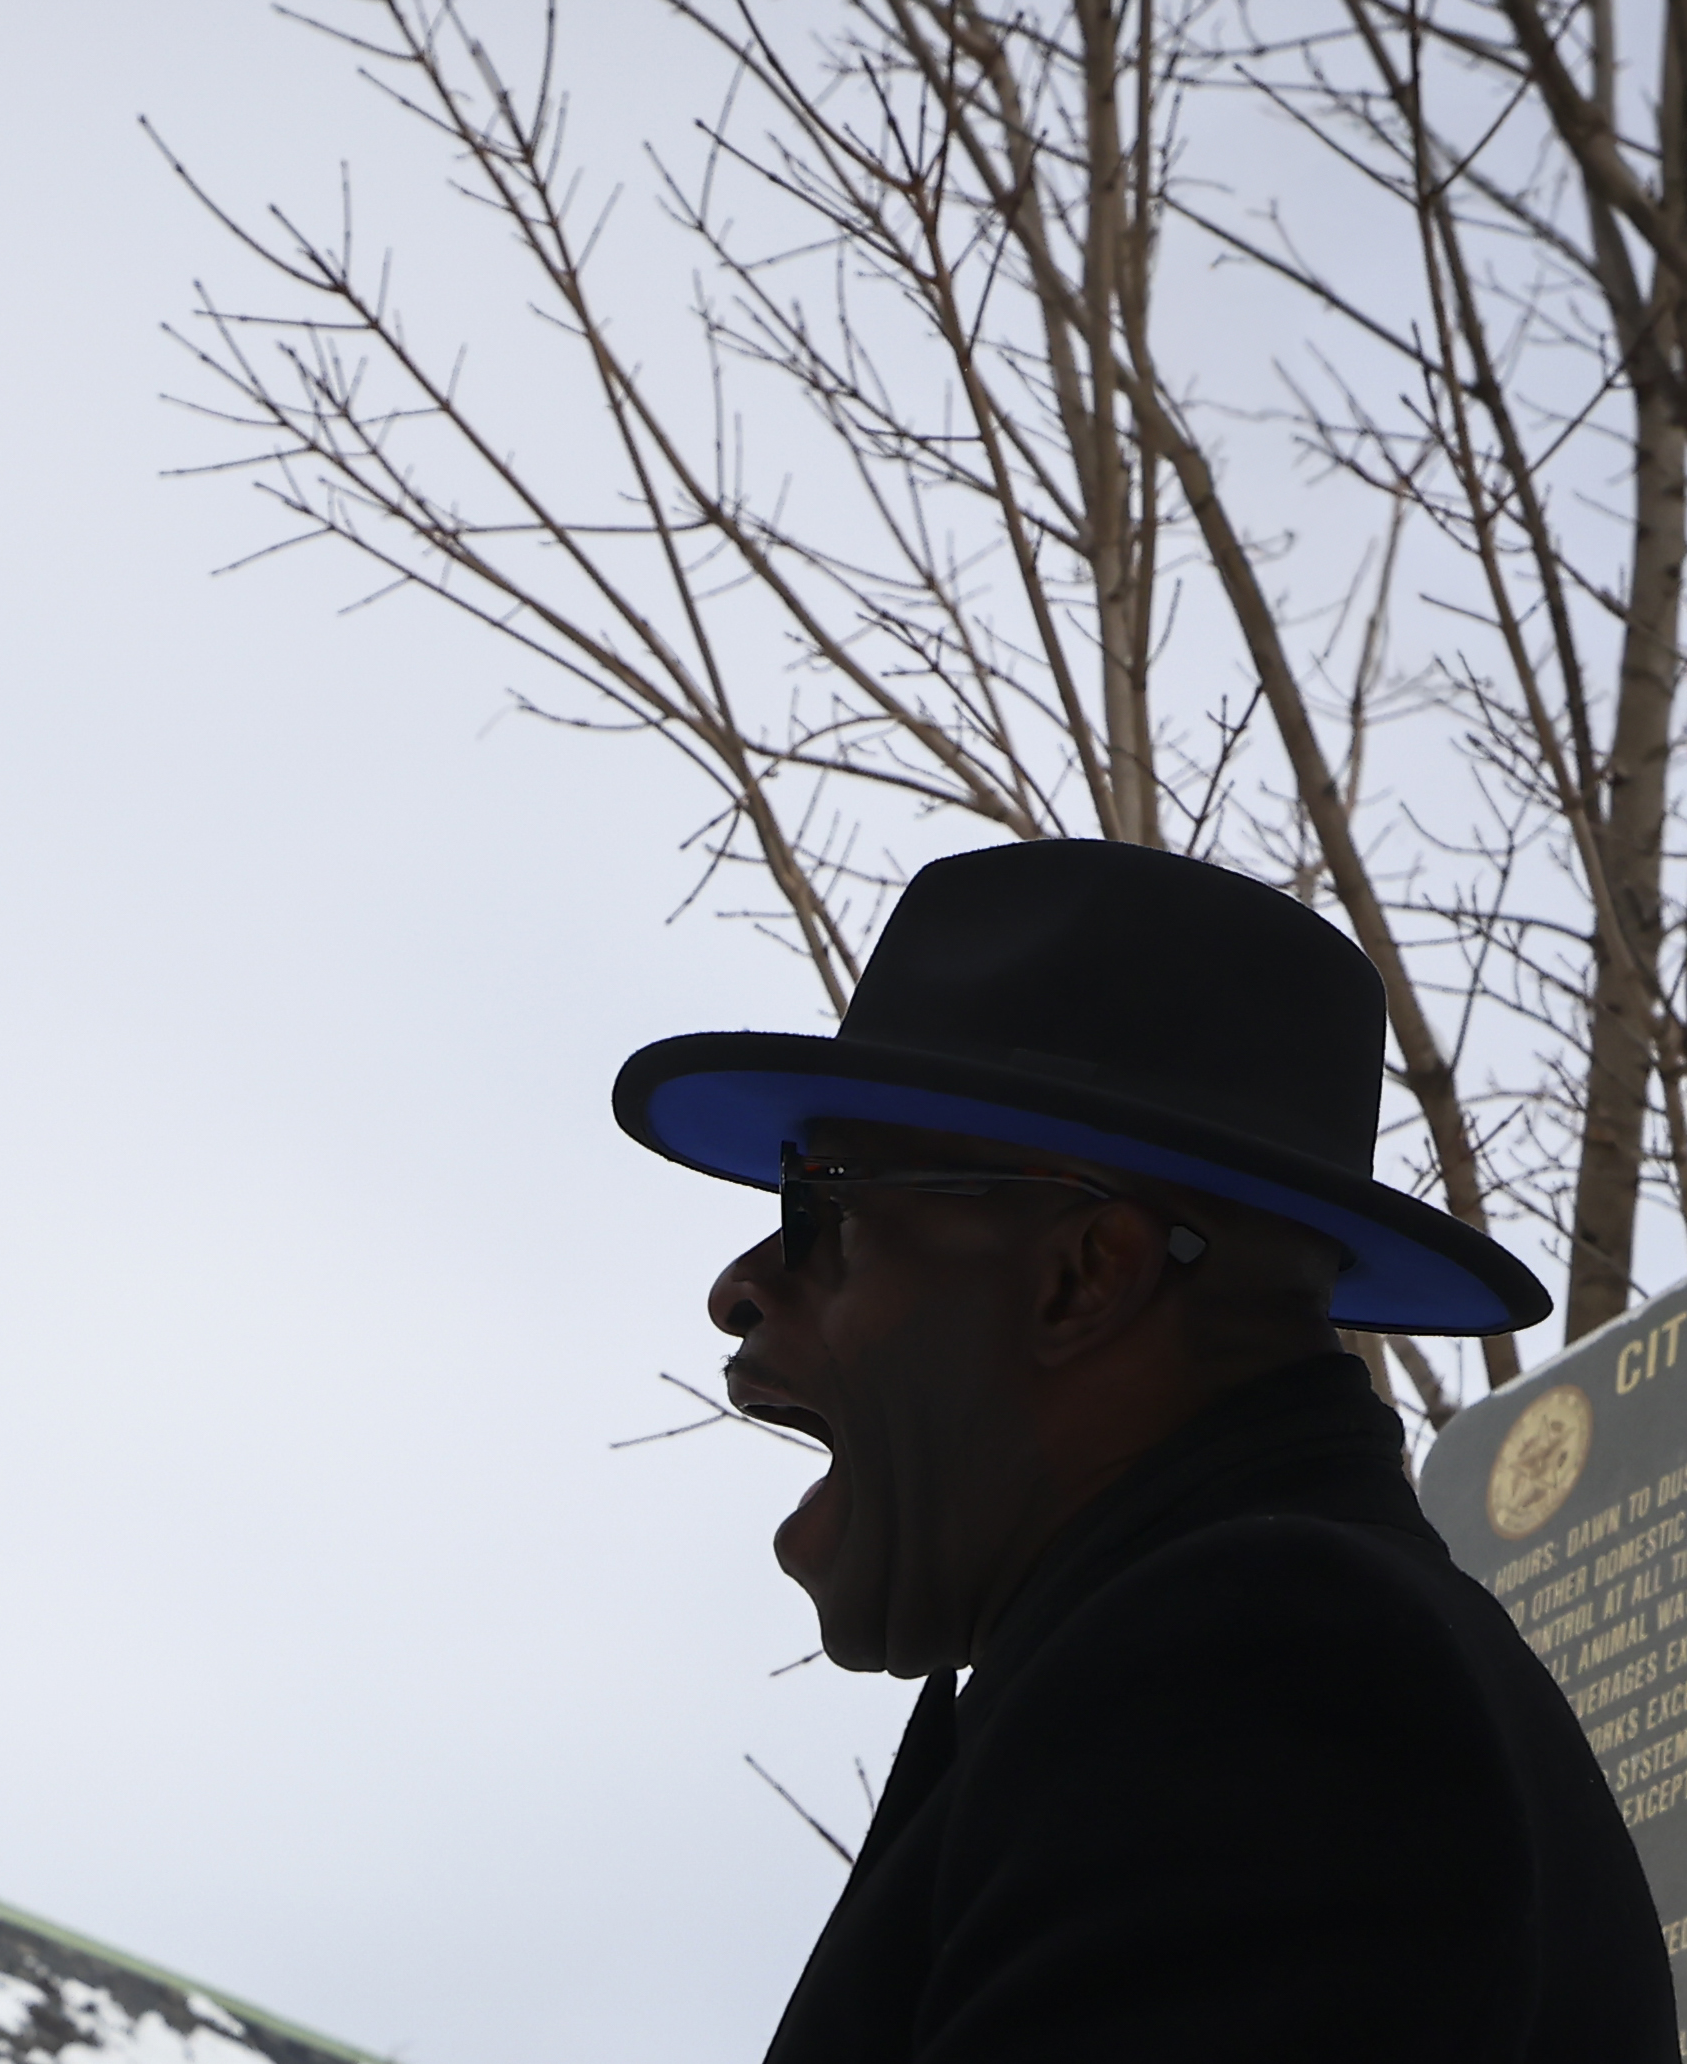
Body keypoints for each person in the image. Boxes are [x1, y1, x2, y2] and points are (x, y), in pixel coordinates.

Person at [613, 840, 1671, 2060]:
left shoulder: (1264, 1669)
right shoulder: (1224, 1662)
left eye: (827, 1203)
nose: (739, 1285)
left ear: (1084, 1274)